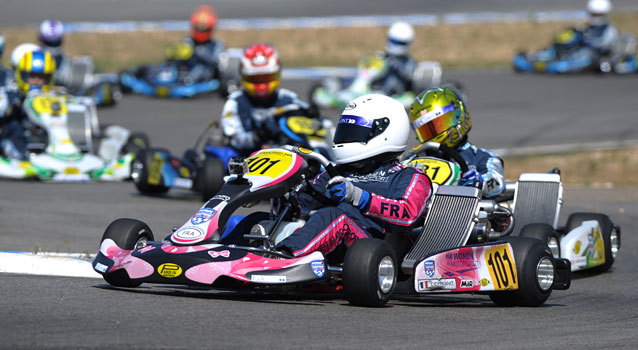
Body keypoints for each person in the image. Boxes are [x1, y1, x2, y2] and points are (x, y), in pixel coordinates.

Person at [276, 94, 433, 258]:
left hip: (372, 248)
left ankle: (283, 257)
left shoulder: (408, 176)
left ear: (385, 132)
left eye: (356, 132)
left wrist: (359, 197)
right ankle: (255, 252)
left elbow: (407, 214)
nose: (347, 138)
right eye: (346, 132)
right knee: (266, 219)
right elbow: (302, 206)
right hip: (329, 238)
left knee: (333, 216)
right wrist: (286, 191)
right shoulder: (337, 171)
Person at [407, 87, 505, 198]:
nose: (433, 135)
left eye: (438, 125)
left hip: (465, 210)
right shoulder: (416, 160)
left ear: (457, 117)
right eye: (426, 131)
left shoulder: (482, 157)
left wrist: (478, 181)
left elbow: (496, 182)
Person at [220, 43, 311, 155]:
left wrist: (312, 115)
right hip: (249, 159)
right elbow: (234, 139)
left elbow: (313, 124)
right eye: (255, 79)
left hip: (288, 155)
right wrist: (257, 137)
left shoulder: (288, 99)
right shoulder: (235, 102)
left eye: (266, 77)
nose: (261, 84)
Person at [0, 49, 56, 159]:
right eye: (32, 76)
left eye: (41, 77)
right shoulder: (12, 94)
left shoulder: (53, 97)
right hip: (16, 140)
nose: (36, 81)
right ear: (22, 75)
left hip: (47, 138)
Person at [371, 21, 416, 96]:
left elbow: (411, 78)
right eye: (393, 41)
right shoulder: (381, 57)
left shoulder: (408, 62)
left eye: (398, 42)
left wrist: (397, 67)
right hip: (378, 90)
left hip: (398, 94)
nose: (395, 44)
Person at [182, 5, 224, 74]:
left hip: (206, 79)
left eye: (204, 29)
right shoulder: (187, 42)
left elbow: (219, 65)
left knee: (200, 68)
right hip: (187, 75)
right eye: (199, 28)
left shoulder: (216, 45)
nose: (201, 31)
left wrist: (204, 55)